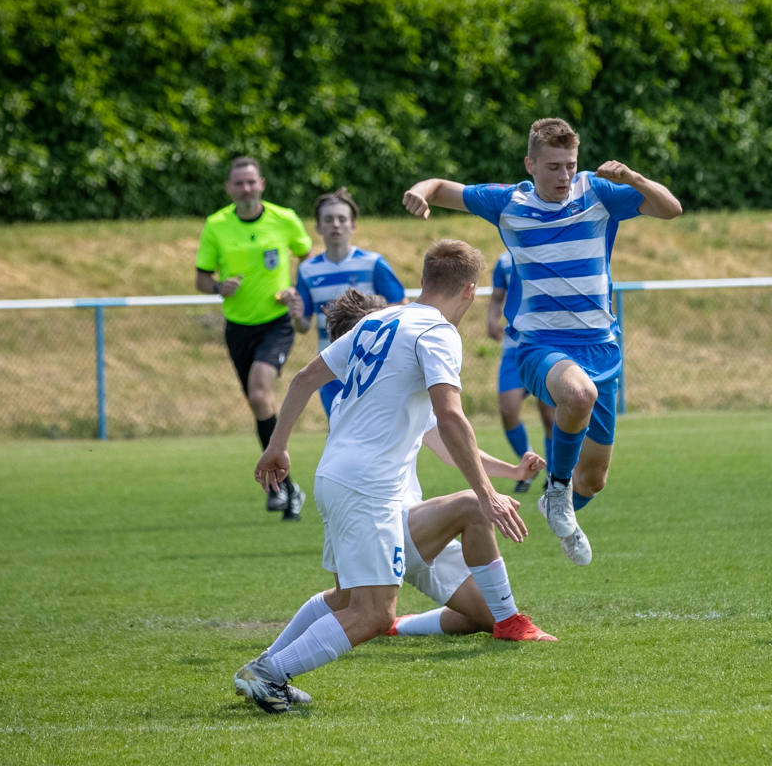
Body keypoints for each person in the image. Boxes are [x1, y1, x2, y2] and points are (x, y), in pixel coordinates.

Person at [234, 241, 554, 714]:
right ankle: (269, 674)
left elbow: (302, 378)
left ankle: (261, 668)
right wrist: (487, 493)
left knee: (348, 597)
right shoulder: (438, 333)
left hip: (334, 476)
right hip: (371, 487)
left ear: (423, 280)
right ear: (470, 290)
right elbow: (451, 417)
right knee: (373, 613)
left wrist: (277, 445)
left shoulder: (377, 321)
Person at [401, 118, 682, 567]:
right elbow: (440, 188)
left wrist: (633, 178)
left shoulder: (597, 192)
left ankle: (560, 501)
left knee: (593, 480)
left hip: (601, 346)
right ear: (530, 165)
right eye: (553, 166)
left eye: (570, 165)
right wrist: (420, 190)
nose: (564, 176)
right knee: (578, 394)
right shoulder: (507, 201)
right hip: (539, 345)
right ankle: (557, 489)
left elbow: (671, 209)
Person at [305, 290, 550, 641]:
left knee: (482, 615)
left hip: (416, 526)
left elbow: (451, 449)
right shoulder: (365, 401)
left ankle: (396, 626)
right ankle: (512, 623)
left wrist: (513, 471)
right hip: (389, 526)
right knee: (473, 505)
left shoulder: (390, 390)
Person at [195, 156, 313, 520]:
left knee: (261, 393)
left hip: (276, 323)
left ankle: (278, 485)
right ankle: (289, 488)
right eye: (239, 183)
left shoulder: (284, 219)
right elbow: (201, 278)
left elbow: (309, 261)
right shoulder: (216, 225)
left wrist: (297, 291)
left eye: (251, 182)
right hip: (237, 327)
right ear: (229, 188)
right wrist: (218, 287)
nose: (246, 188)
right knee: (258, 403)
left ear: (261, 184)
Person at [279, 188, 407, 416]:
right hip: (330, 365)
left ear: (353, 226)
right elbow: (303, 325)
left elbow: (402, 307)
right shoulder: (308, 270)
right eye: (328, 219)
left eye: (342, 219)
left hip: (371, 363)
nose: (336, 225)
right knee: (338, 427)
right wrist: (296, 316)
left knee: (372, 426)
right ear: (318, 227)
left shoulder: (372, 263)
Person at [488, 250, 556, 494]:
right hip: (514, 350)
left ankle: (554, 474)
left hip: (546, 347)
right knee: (508, 411)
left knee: (549, 416)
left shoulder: (550, 252)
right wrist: (491, 319)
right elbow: (497, 297)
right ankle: (529, 464)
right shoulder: (505, 260)